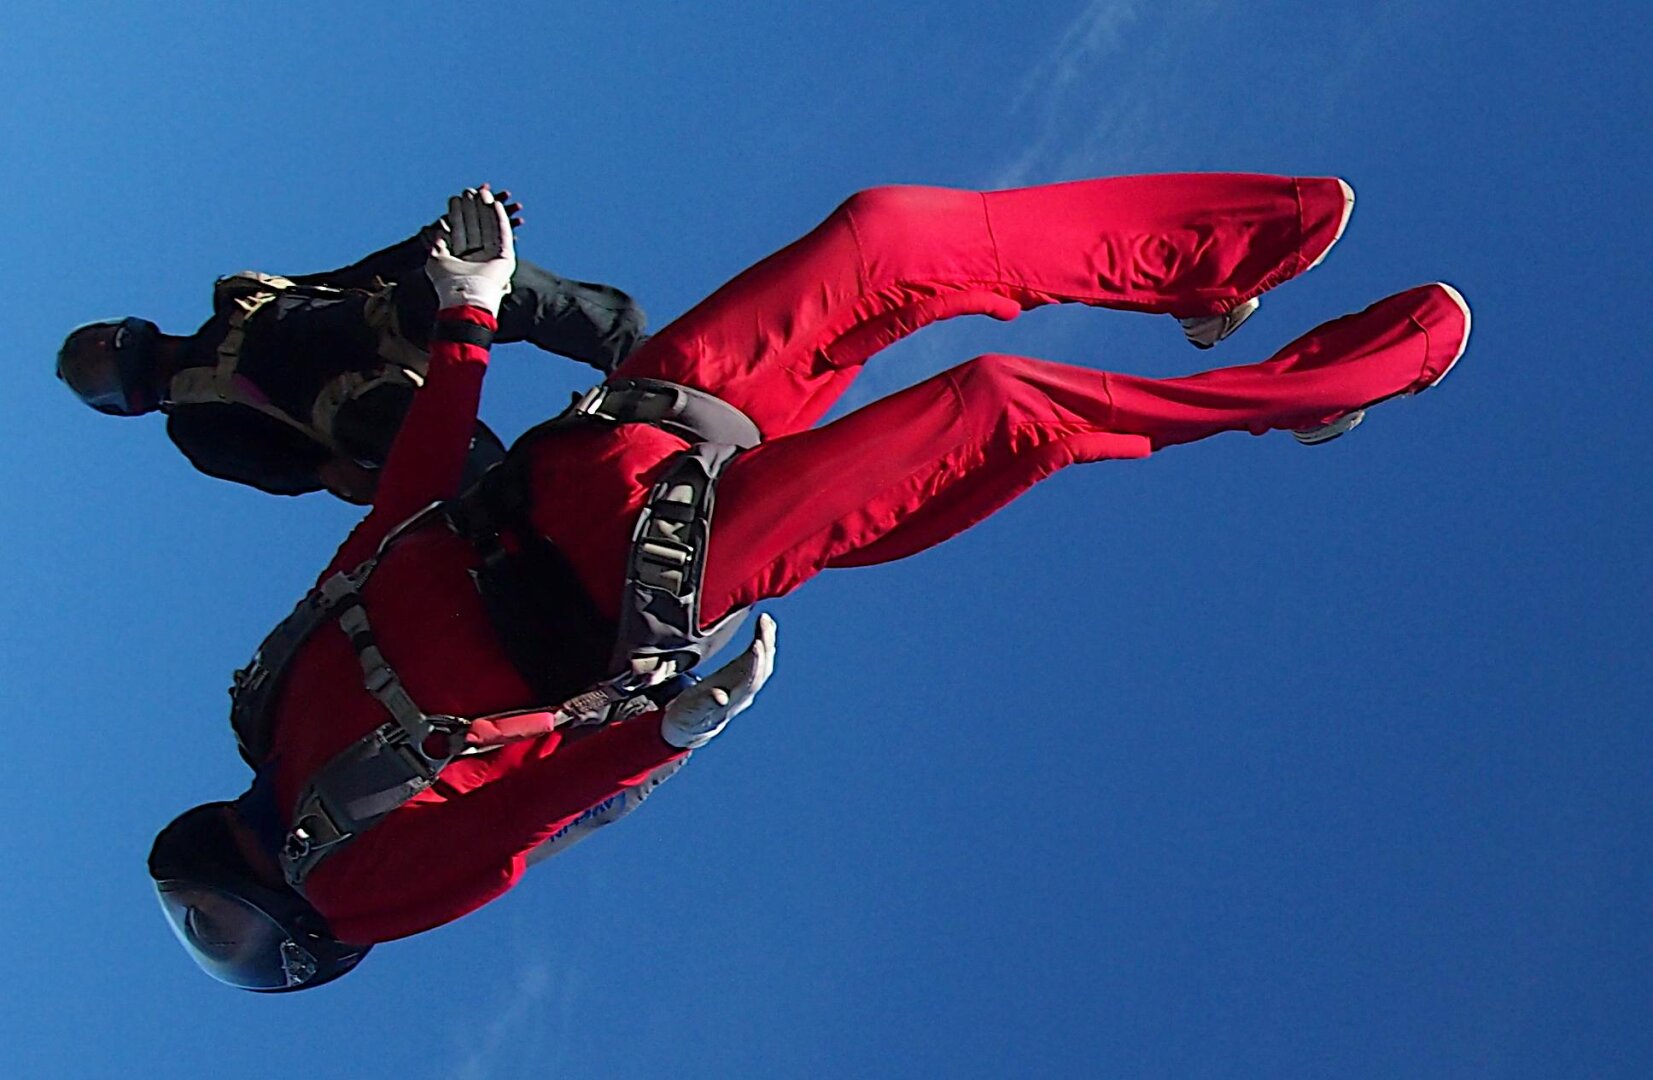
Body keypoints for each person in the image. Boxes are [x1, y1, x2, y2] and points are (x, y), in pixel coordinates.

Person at [150, 175, 1472, 991]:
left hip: (607, 440)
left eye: (191, 917)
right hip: (657, 567)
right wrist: (660, 733)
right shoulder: (348, 888)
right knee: (997, 407)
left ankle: (1217, 254)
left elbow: (400, 511)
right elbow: (501, 836)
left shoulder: (267, 710)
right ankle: (1321, 388)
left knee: (887, 236)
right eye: (218, 932)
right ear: (296, 951)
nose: (209, 911)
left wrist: (471, 310)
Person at [57, 188, 648, 502]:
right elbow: (301, 469)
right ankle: (544, 523)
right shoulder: (194, 424)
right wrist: (335, 473)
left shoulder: (240, 302)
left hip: (383, 319)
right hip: (366, 406)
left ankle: (650, 364)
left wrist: (424, 246)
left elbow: (343, 282)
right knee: (476, 476)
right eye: (103, 356)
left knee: (505, 283)